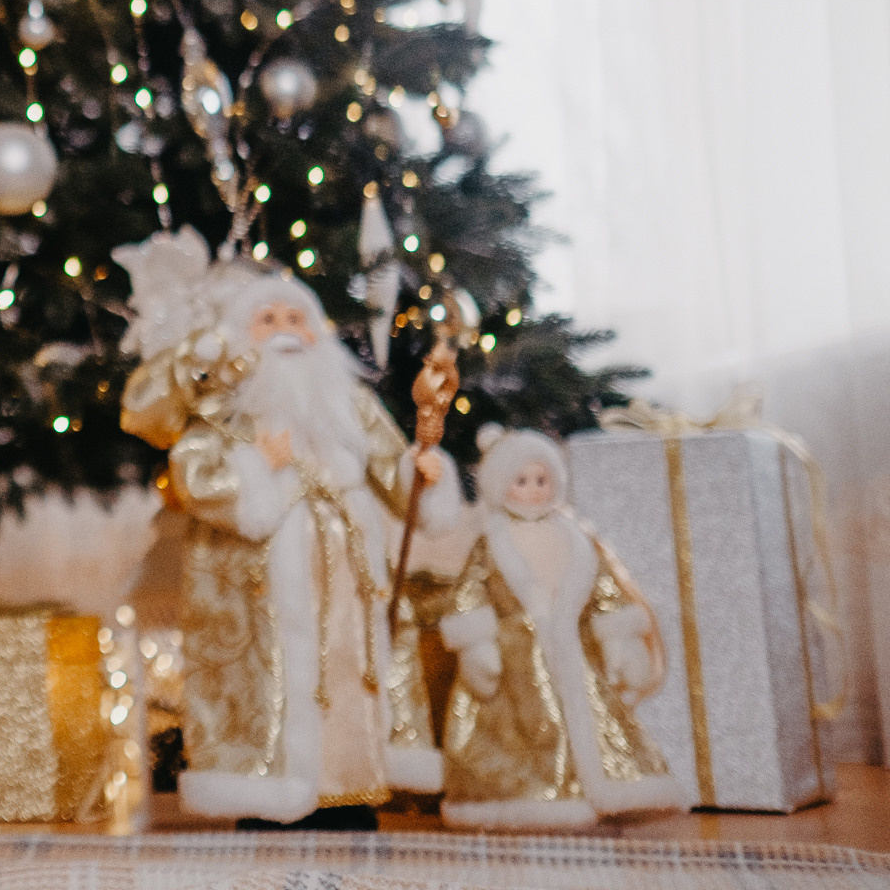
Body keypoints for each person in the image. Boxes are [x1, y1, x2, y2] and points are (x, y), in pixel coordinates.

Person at [117, 235, 461, 825]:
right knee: (271, 684)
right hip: (257, 592)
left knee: (352, 680)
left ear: (318, 332)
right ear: (243, 335)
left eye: (296, 317)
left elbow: (393, 468)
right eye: (267, 318)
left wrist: (422, 473)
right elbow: (193, 474)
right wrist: (258, 466)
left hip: (350, 592)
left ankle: (351, 789)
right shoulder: (225, 410)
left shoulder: (351, 406)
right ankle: (269, 797)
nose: (284, 328)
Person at [435, 427, 682, 829]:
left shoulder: (576, 538)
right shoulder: (492, 542)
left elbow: (605, 590)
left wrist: (619, 640)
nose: (533, 490)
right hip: (515, 666)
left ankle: (602, 789)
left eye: (542, 480)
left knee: (591, 716)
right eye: (522, 481)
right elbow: (469, 594)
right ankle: (536, 796)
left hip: (576, 655)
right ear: (501, 486)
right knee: (526, 730)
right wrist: (476, 645)